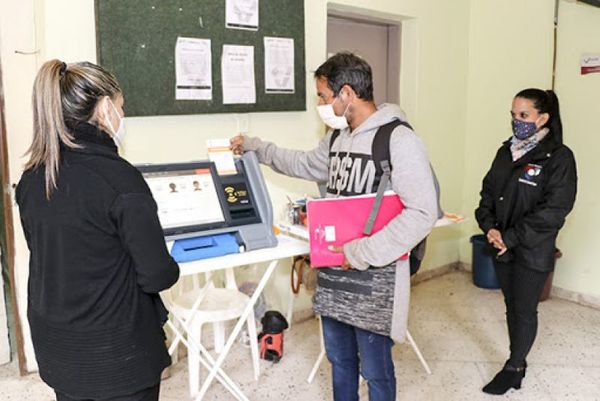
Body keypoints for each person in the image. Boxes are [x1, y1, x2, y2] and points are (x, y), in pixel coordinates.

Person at [230, 52, 438, 401]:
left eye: (324, 97)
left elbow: (422, 212)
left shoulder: (398, 140)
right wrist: (256, 147)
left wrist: (361, 252)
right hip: (334, 276)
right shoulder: (337, 139)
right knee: (339, 361)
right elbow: (301, 163)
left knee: (375, 371)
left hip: (376, 280)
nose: (321, 105)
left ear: (346, 94)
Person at [16, 60, 180, 401]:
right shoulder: (119, 179)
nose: (122, 115)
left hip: (58, 346)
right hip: (118, 353)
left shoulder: (33, 177)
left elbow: (54, 256)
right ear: (105, 108)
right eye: (121, 107)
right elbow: (157, 275)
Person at [475, 88, 577, 395]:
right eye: (513, 115)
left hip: (531, 249)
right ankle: (516, 361)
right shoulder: (506, 151)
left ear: (543, 118)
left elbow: (554, 211)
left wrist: (511, 237)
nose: (516, 121)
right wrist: (490, 228)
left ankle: (515, 367)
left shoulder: (559, 157)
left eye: (523, 115)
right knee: (511, 304)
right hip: (502, 246)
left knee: (524, 308)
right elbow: (488, 195)